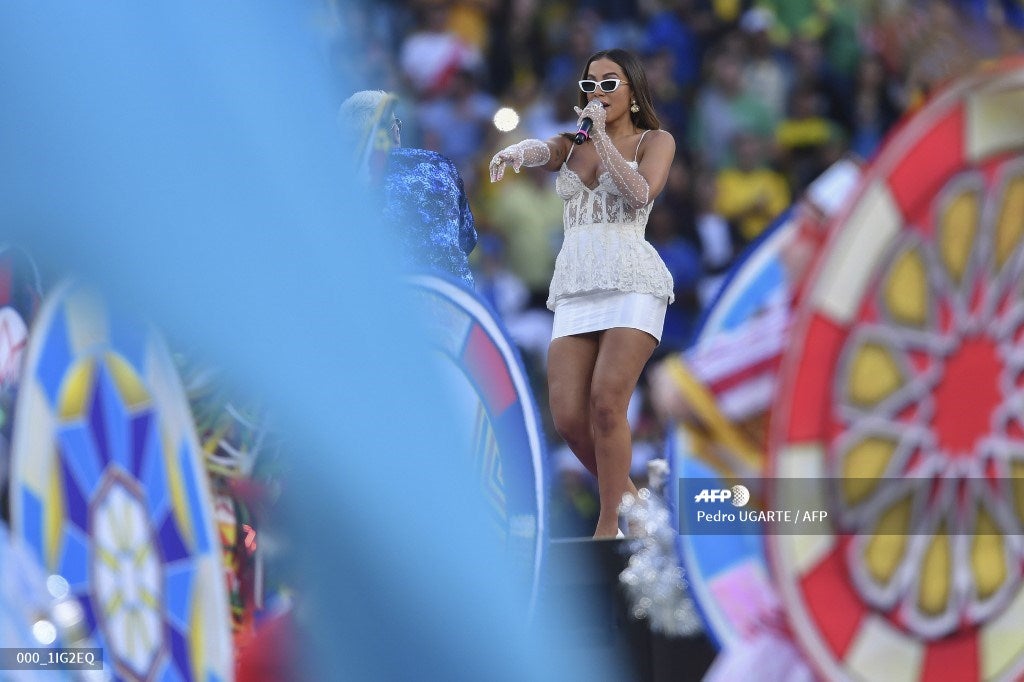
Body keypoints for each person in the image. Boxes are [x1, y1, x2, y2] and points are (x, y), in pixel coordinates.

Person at [489, 48, 676, 538]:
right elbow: (546, 149)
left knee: (606, 404)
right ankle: (635, 504)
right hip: (576, 282)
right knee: (570, 418)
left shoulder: (656, 140)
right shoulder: (575, 142)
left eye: (609, 83)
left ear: (633, 91)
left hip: (631, 278)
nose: (597, 92)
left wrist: (602, 139)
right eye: (590, 84)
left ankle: (611, 521)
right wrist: (516, 152)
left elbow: (640, 192)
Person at [338, 89, 477, 287]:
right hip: (454, 301)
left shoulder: (343, 192)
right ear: (394, 131)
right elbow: (466, 240)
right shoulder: (440, 165)